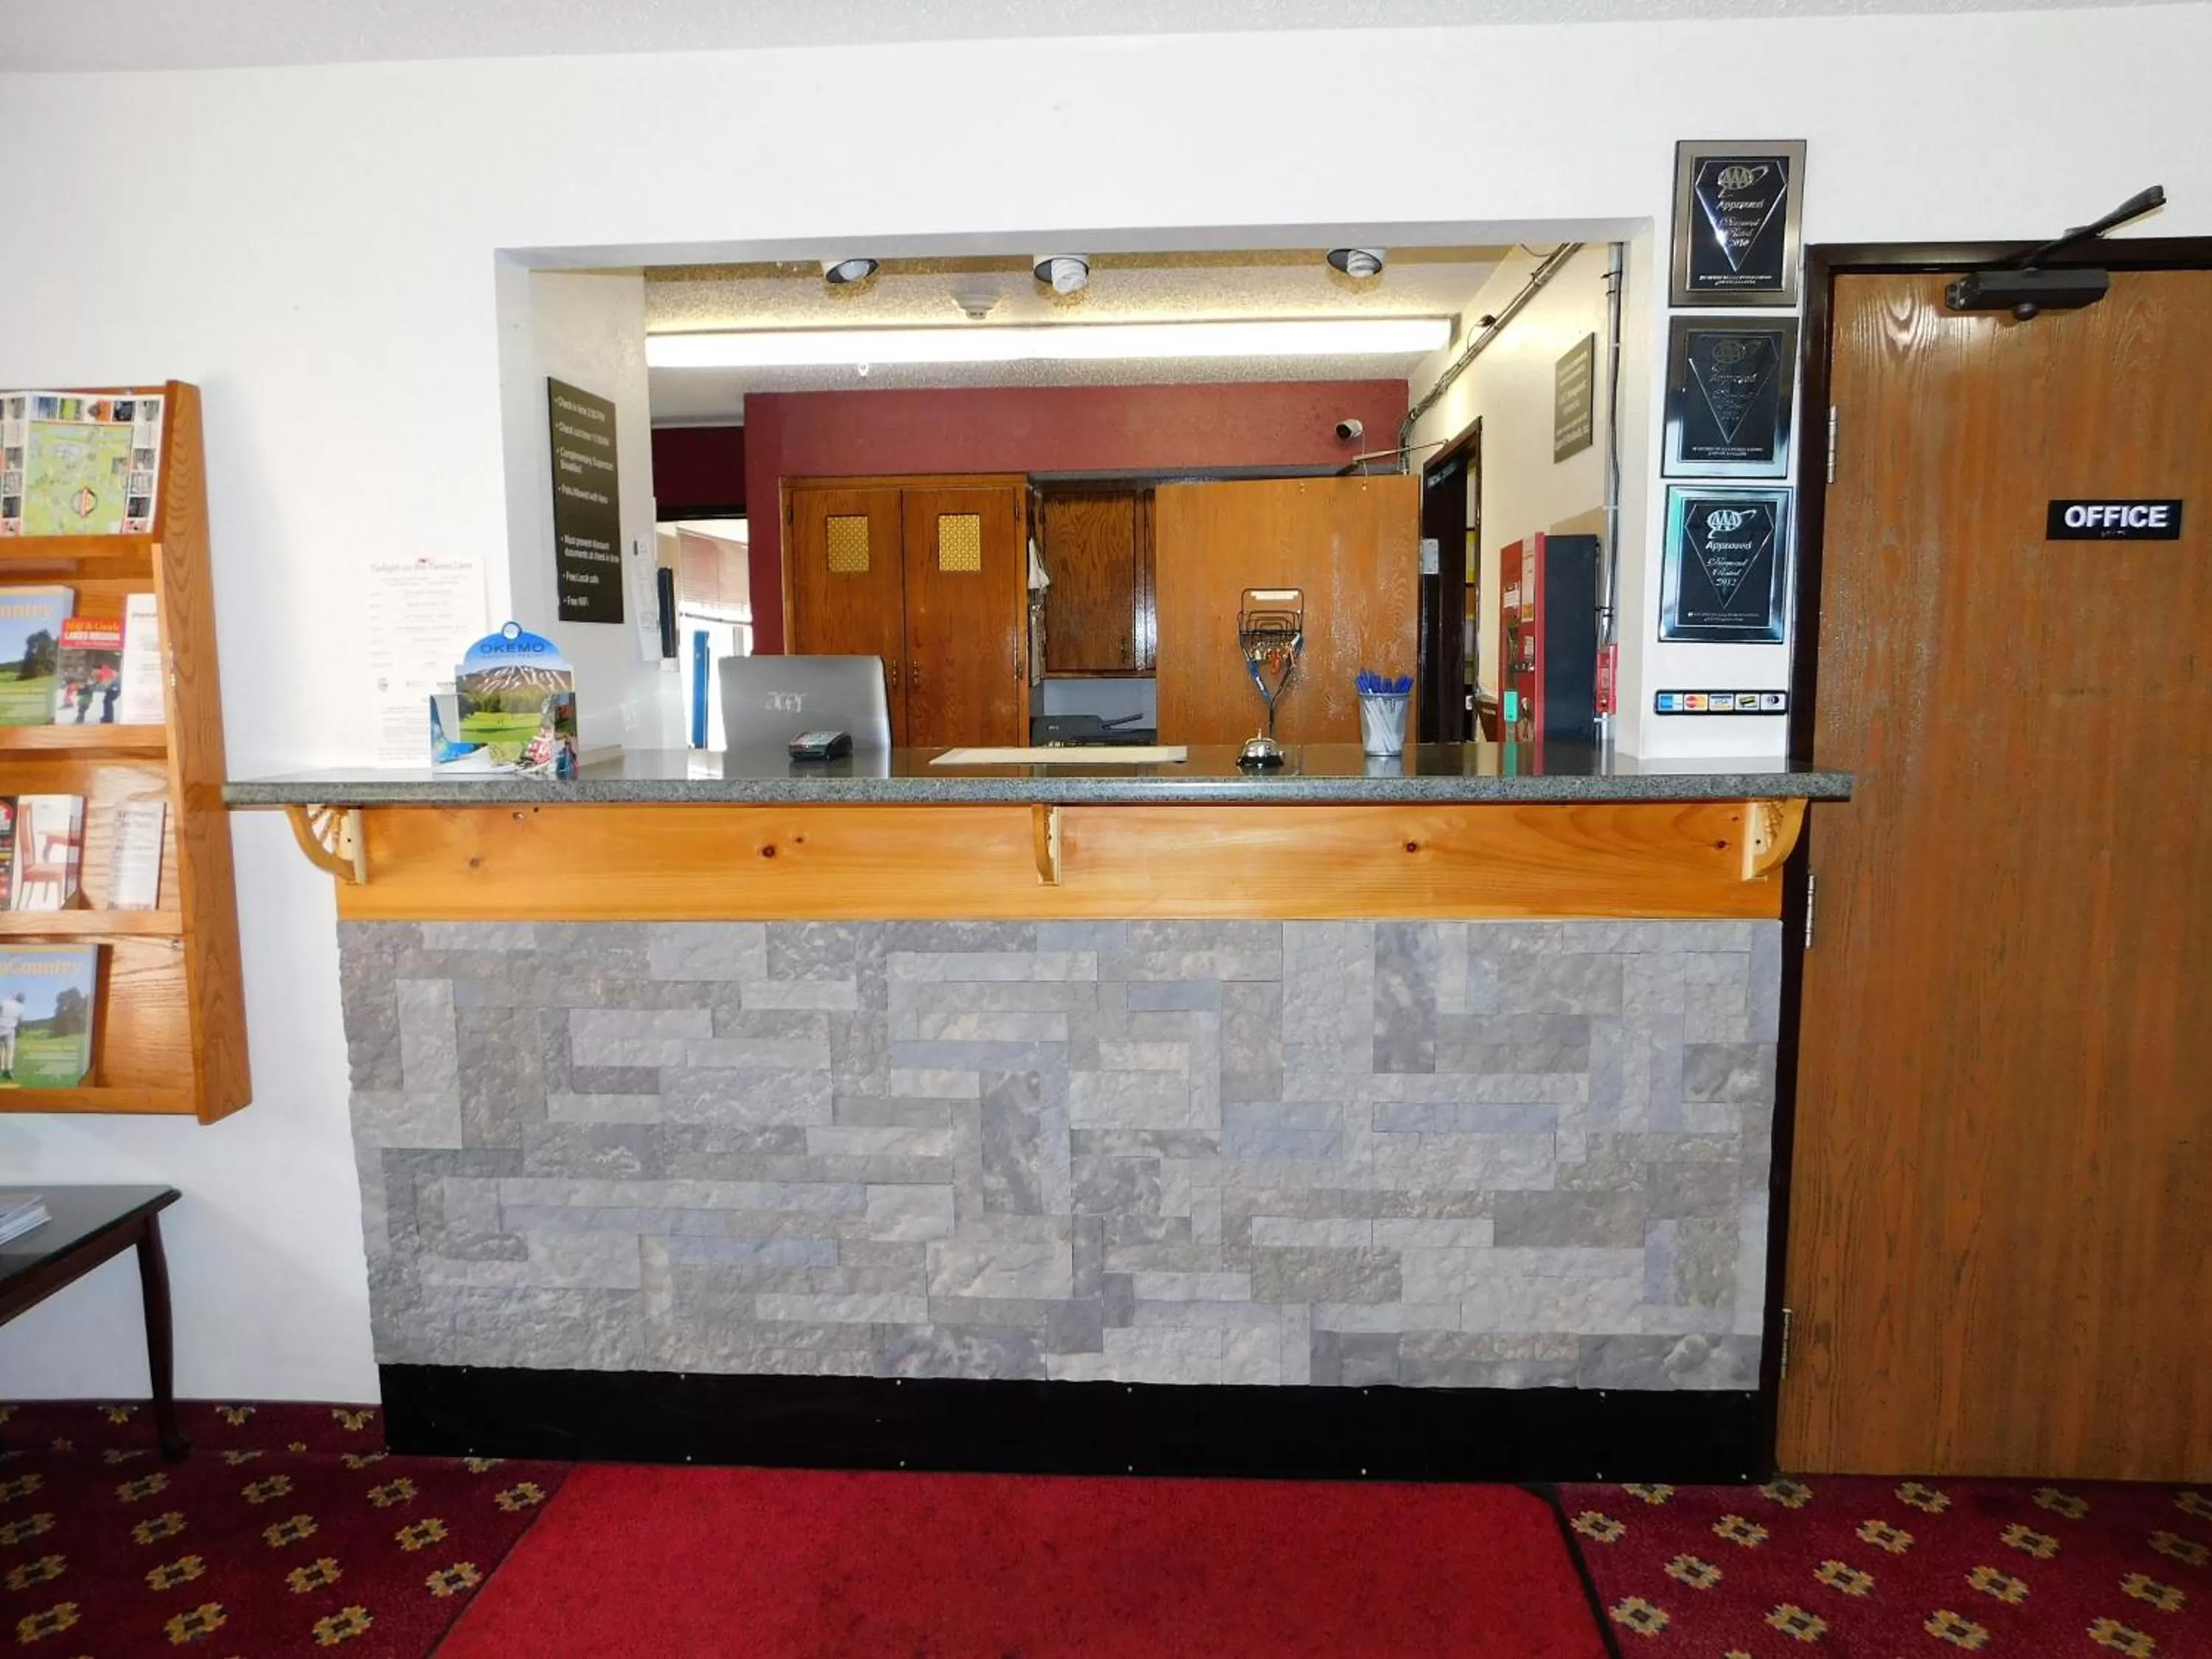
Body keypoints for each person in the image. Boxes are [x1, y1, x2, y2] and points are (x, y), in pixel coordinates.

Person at [0, 990, 24, 1084]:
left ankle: (1, 1070)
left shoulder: (4, 1002)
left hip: (1, 1028)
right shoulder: (21, 1007)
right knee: (10, 1051)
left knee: (1, 1050)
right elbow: (19, 1020)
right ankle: (8, 1070)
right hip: (11, 1029)